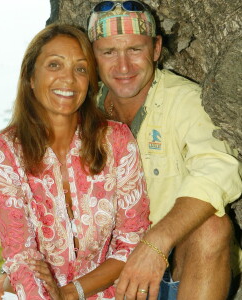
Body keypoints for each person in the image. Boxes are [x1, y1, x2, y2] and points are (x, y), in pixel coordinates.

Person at [0, 23, 150, 300]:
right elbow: (21, 255)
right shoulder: (3, 153)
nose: (68, 79)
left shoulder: (117, 141)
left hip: (111, 291)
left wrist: (72, 293)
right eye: (54, 65)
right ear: (30, 78)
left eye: (80, 69)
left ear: (90, 82)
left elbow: (132, 241)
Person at [87, 1, 242, 300]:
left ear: (156, 49)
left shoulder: (183, 100)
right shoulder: (83, 110)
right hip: (107, 272)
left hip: (175, 268)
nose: (123, 66)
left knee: (213, 227)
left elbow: (219, 169)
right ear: (93, 57)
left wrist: (155, 242)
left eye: (135, 49)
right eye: (109, 52)